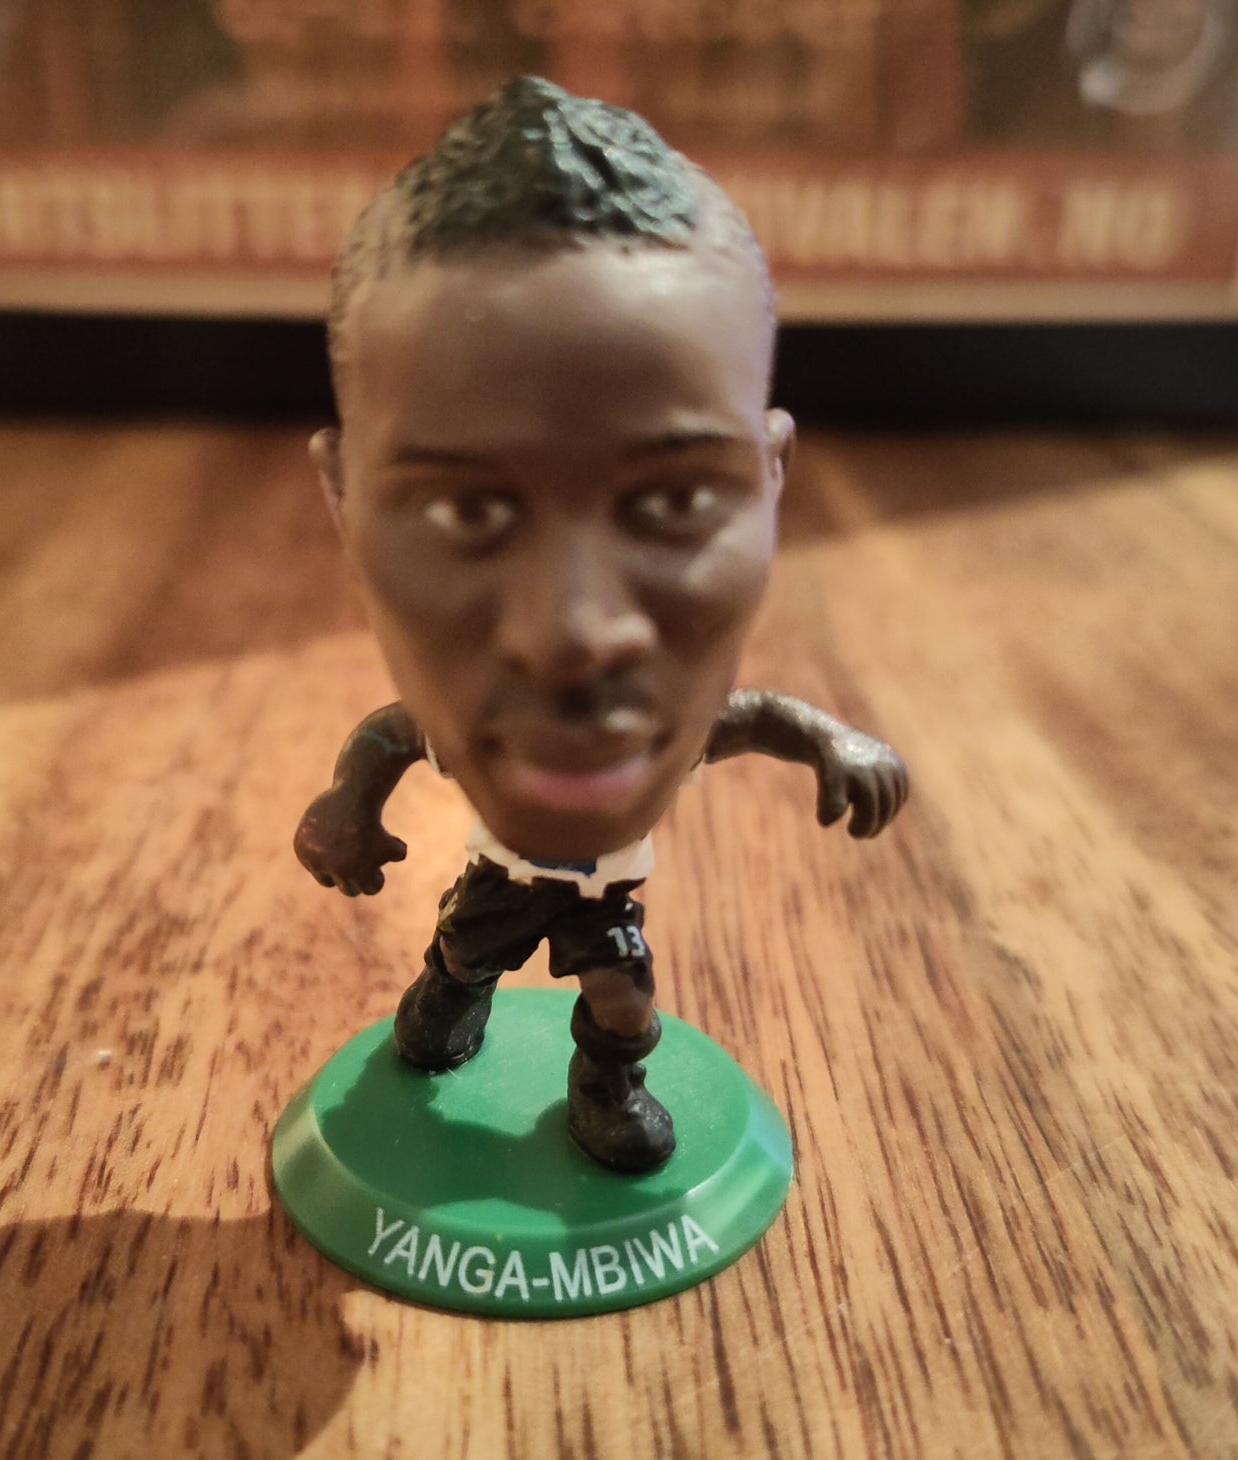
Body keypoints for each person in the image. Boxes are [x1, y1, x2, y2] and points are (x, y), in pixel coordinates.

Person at [294, 76, 908, 1174]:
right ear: (342, 502)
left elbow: (760, 718)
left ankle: (606, 1085)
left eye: (675, 501)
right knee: (463, 957)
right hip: (498, 882)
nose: (574, 637)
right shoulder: (468, 725)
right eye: (464, 511)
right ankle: (444, 1005)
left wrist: (834, 740)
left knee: (623, 1004)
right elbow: (387, 737)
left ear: (771, 480)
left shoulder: (659, 721)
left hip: (600, 901)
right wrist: (347, 804)